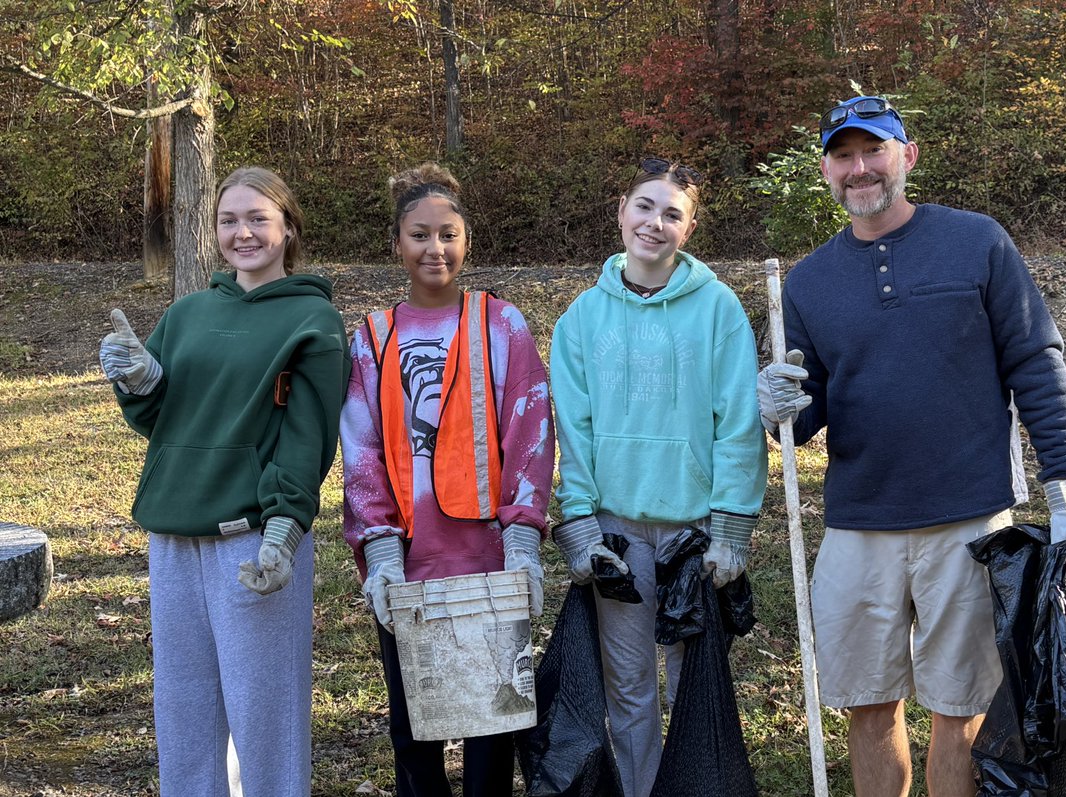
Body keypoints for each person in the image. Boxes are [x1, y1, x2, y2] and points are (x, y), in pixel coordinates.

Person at [756, 95, 1066, 796]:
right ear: (826, 170)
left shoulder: (977, 242)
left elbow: (1036, 361)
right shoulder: (808, 281)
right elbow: (807, 411)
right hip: (860, 522)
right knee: (868, 702)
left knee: (958, 705)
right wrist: (776, 407)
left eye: (873, 151)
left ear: (906, 155)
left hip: (968, 516)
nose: (860, 169)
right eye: (844, 156)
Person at [99, 166, 350, 797]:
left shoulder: (313, 322)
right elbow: (161, 419)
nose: (242, 233)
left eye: (257, 218)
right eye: (228, 220)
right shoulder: (186, 314)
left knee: (265, 721)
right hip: (173, 535)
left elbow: (309, 436)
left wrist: (287, 527)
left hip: (254, 536)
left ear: (288, 228)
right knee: (184, 718)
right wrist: (139, 379)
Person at [550, 157, 768, 797]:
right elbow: (575, 433)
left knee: (691, 680)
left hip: (693, 531)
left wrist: (730, 528)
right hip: (616, 528)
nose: (655, 222)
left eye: (672, 213)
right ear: (621, 212)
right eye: (644, 207)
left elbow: (737, 421)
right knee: (629, 687)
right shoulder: (581, 319)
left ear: (690, 228)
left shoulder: (718, 310)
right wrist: (582, 528)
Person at [340, 162, 554, 797]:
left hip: (489, 561)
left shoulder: (502, 324)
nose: (435, 249)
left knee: (493, 730)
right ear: (396, 243)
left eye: (449, 234)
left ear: (467, 240)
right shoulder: (372, 338)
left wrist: (522, 545)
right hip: (408, 564)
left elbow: (530, 430)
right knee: (415, 733)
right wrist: (379, 552)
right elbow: (361, 447)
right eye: (419, 234)